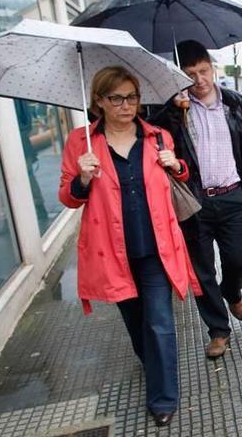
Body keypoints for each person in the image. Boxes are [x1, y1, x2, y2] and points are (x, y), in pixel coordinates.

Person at [58, 66, 200, 427]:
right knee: (137, 324)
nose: (126, 105)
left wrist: (176, 164)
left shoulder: (158, 137)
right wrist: (82, 178)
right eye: (116, 98)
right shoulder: (80, 143)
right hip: (112, 251)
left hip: (156, 248)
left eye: (132, 97)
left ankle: (163, 397)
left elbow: (181, 175)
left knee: (160, 322)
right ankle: (153, 362)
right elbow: (68, 197)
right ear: (99, 102)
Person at [153, 40, 242, 360]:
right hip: (195, 200)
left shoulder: (235, 102)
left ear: (212, 69)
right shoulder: (174, 108)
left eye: (203, 71)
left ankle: (232, 290)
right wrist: (173, 111)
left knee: (240, 257)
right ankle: (218, 330)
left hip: (234, 195)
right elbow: (155, 138)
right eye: (190, 74)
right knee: (201, 270)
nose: (199, 79)